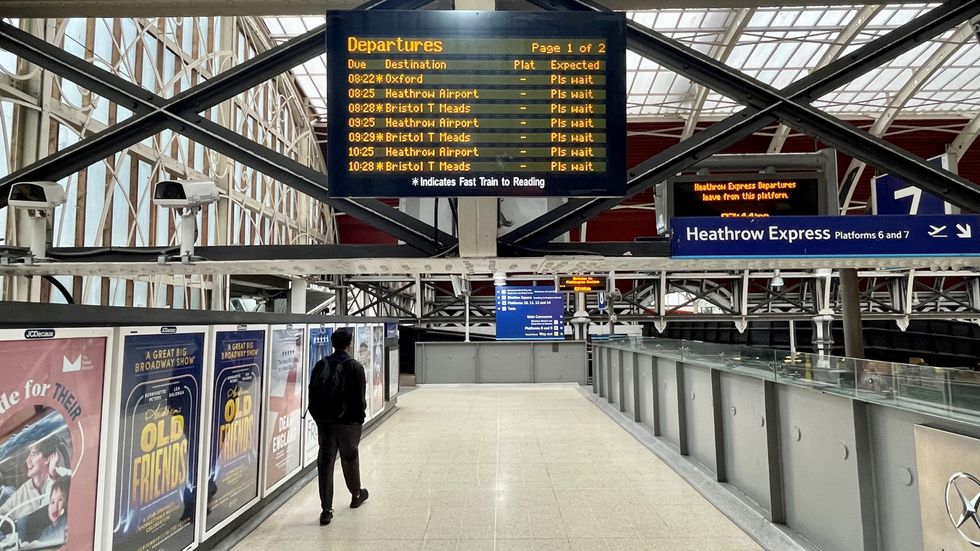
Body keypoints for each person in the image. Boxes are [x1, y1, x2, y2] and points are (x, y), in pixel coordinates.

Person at [308, 328, 369, 526]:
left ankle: (326, 510)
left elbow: (313, 392)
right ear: (349, 344)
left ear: (332, 344)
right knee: (349, 458)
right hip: (348, 423)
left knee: (325, 462)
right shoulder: (355, 367)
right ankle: (356, 494)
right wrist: (359, 419)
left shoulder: (321, 364)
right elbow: (359, 400)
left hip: (325, 422)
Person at [0, 438, 60, 520]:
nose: (27, 460)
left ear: (47, 459)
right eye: (29, 455)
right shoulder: (23, 490)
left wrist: (53, 476)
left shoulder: (63, 475)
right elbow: (2, 512)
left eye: (33, 455)